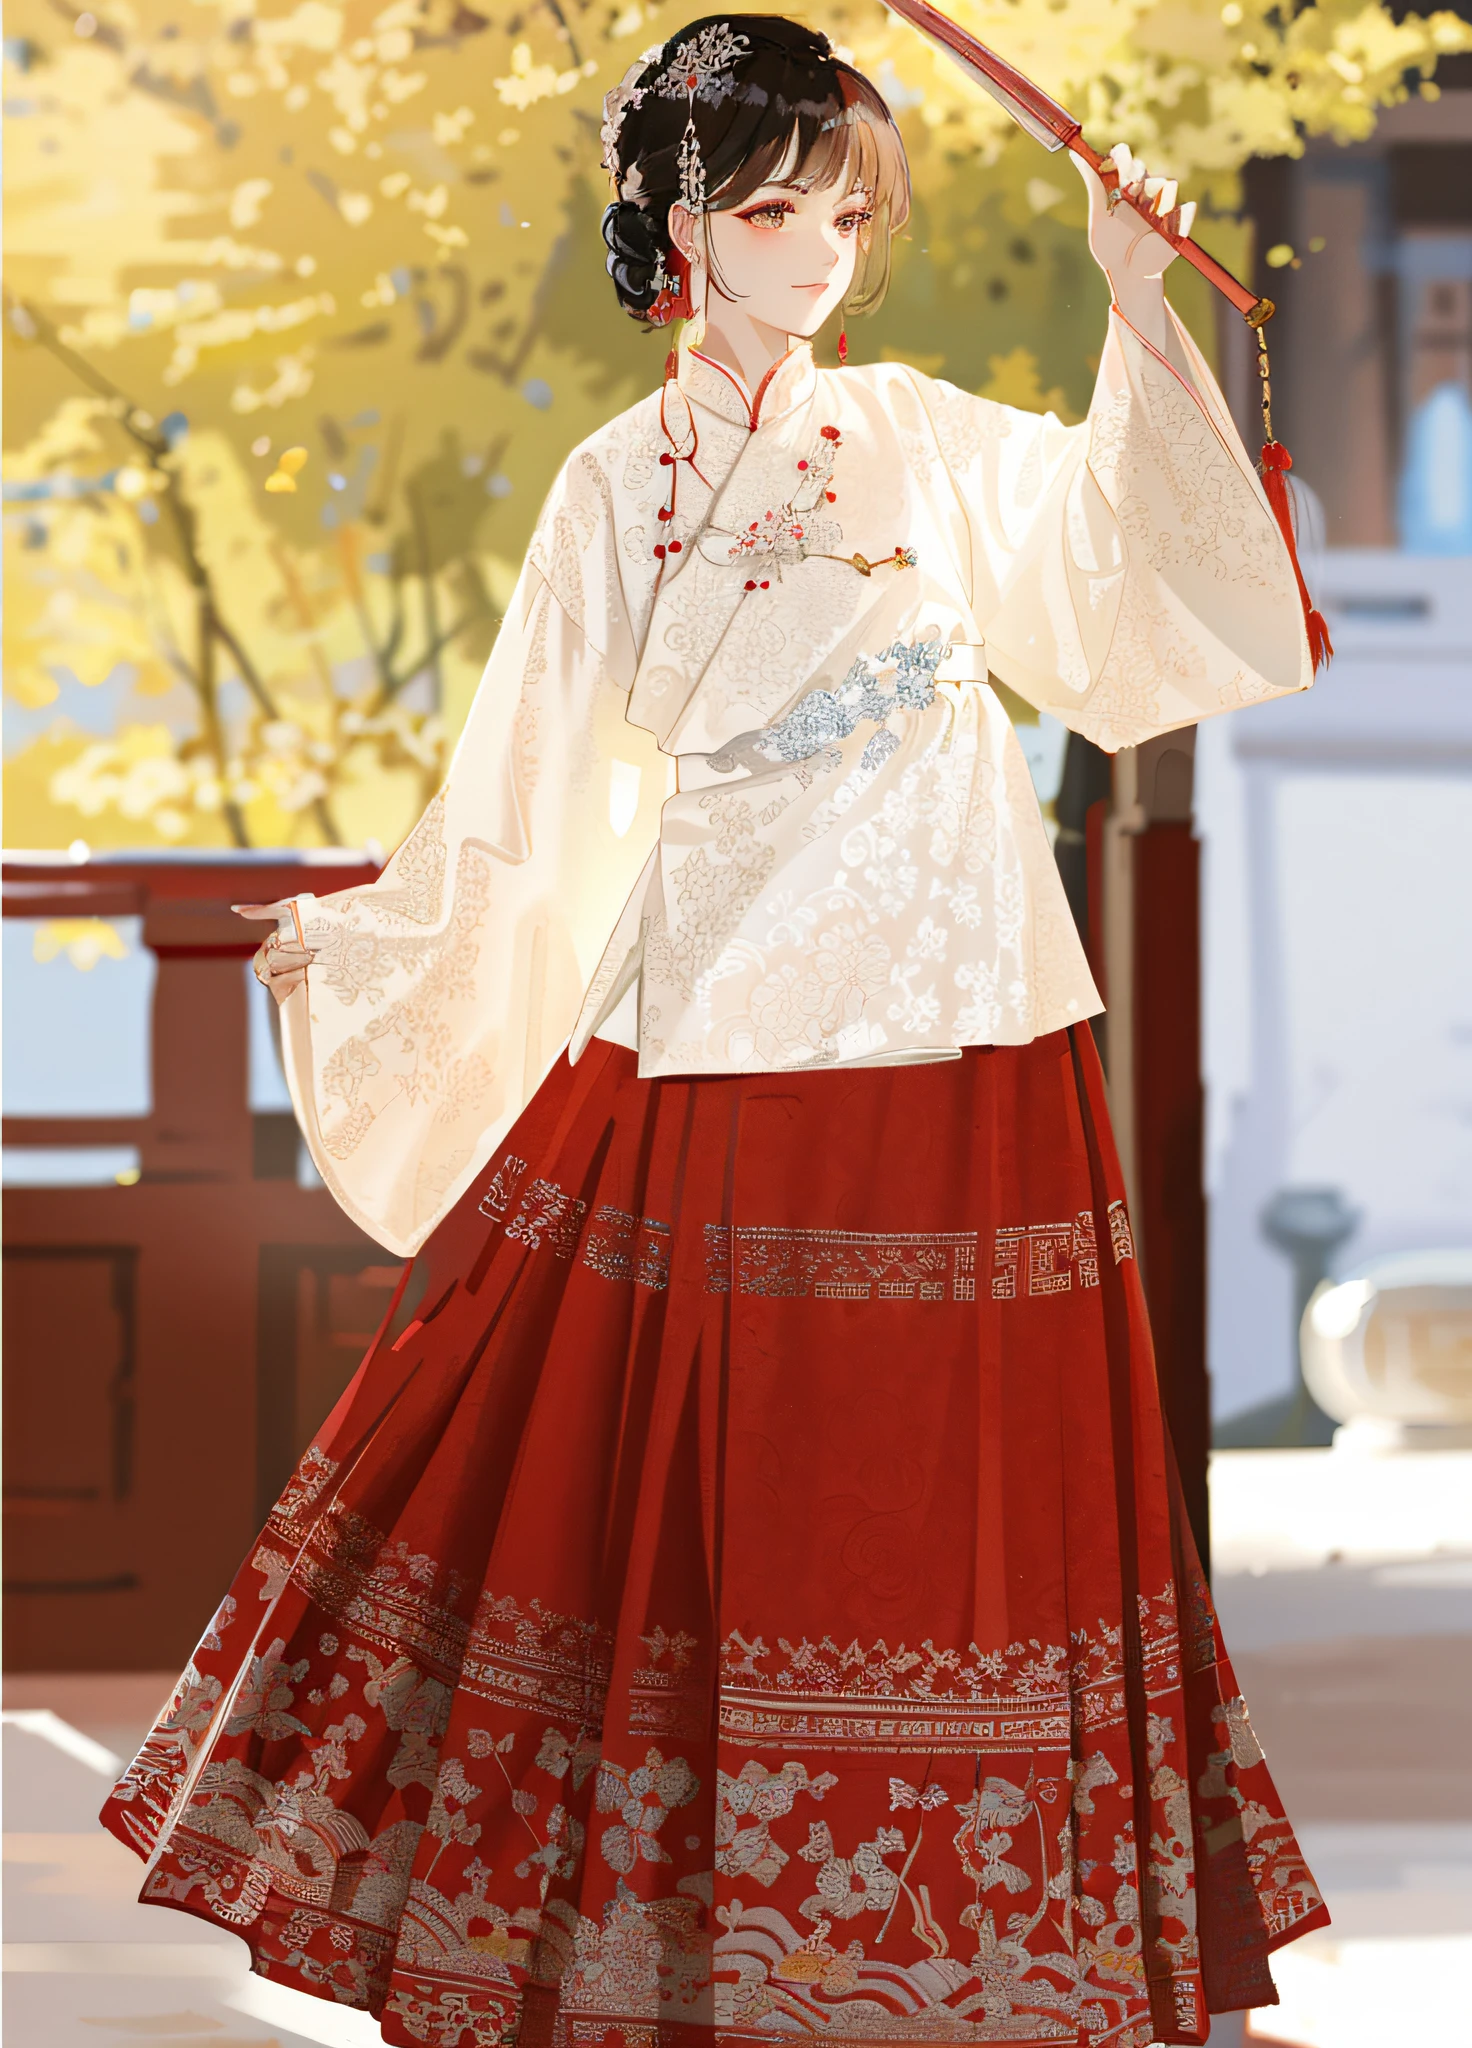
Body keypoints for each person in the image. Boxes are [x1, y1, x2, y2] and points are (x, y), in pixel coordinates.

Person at [101, 18, 1326, 2046]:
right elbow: (517, 786)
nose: (822, 246)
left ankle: (977, 1938)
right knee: (644, 1479)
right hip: (725, 1018)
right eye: (772, 207)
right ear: (678, 220)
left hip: (966, 1028)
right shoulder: (615, 484)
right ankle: (685, 1939)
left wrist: (1132, 311)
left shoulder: (926, 438)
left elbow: (1126, 597)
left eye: (844, 207)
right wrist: (368, 936)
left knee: (953, 1506)